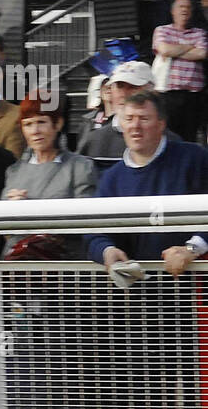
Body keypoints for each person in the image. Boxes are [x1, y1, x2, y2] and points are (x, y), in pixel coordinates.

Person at [87, 91, 208, 278]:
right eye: (129, 119)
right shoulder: (112, 178)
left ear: (161, 124)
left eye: (144, 118)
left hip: (195, 289)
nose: (135, 126)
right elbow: (93, 231)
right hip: (139, 295)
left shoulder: (194, 158)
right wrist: (107, 250)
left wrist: (192, 248)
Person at [2, 94, 98, 258]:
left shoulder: (81, 167)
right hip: (15, 265)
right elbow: (3, 228)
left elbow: (84, 220)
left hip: (63, 264)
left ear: (58, 124)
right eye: (28, 124)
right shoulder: (14, 171)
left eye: (41, 122)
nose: (35, 131)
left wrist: (28, 211)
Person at [78, 60, 165, 165]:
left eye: (133, 87)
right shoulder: (95, 140)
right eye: (119, 86)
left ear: (152, 92)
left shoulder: (168, 141)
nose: (124, 94)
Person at [152, 0, 208, 143]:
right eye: (181, 7)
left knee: (189, 138)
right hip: (169, 95)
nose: (184, 10)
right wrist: (189, 46)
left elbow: (202, 53)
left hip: (193, 96)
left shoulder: (199, 33)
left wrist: (175, 50)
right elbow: (164, 49)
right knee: (168, 138)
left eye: (188, 7)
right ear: (173, 11)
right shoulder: (162, 30)